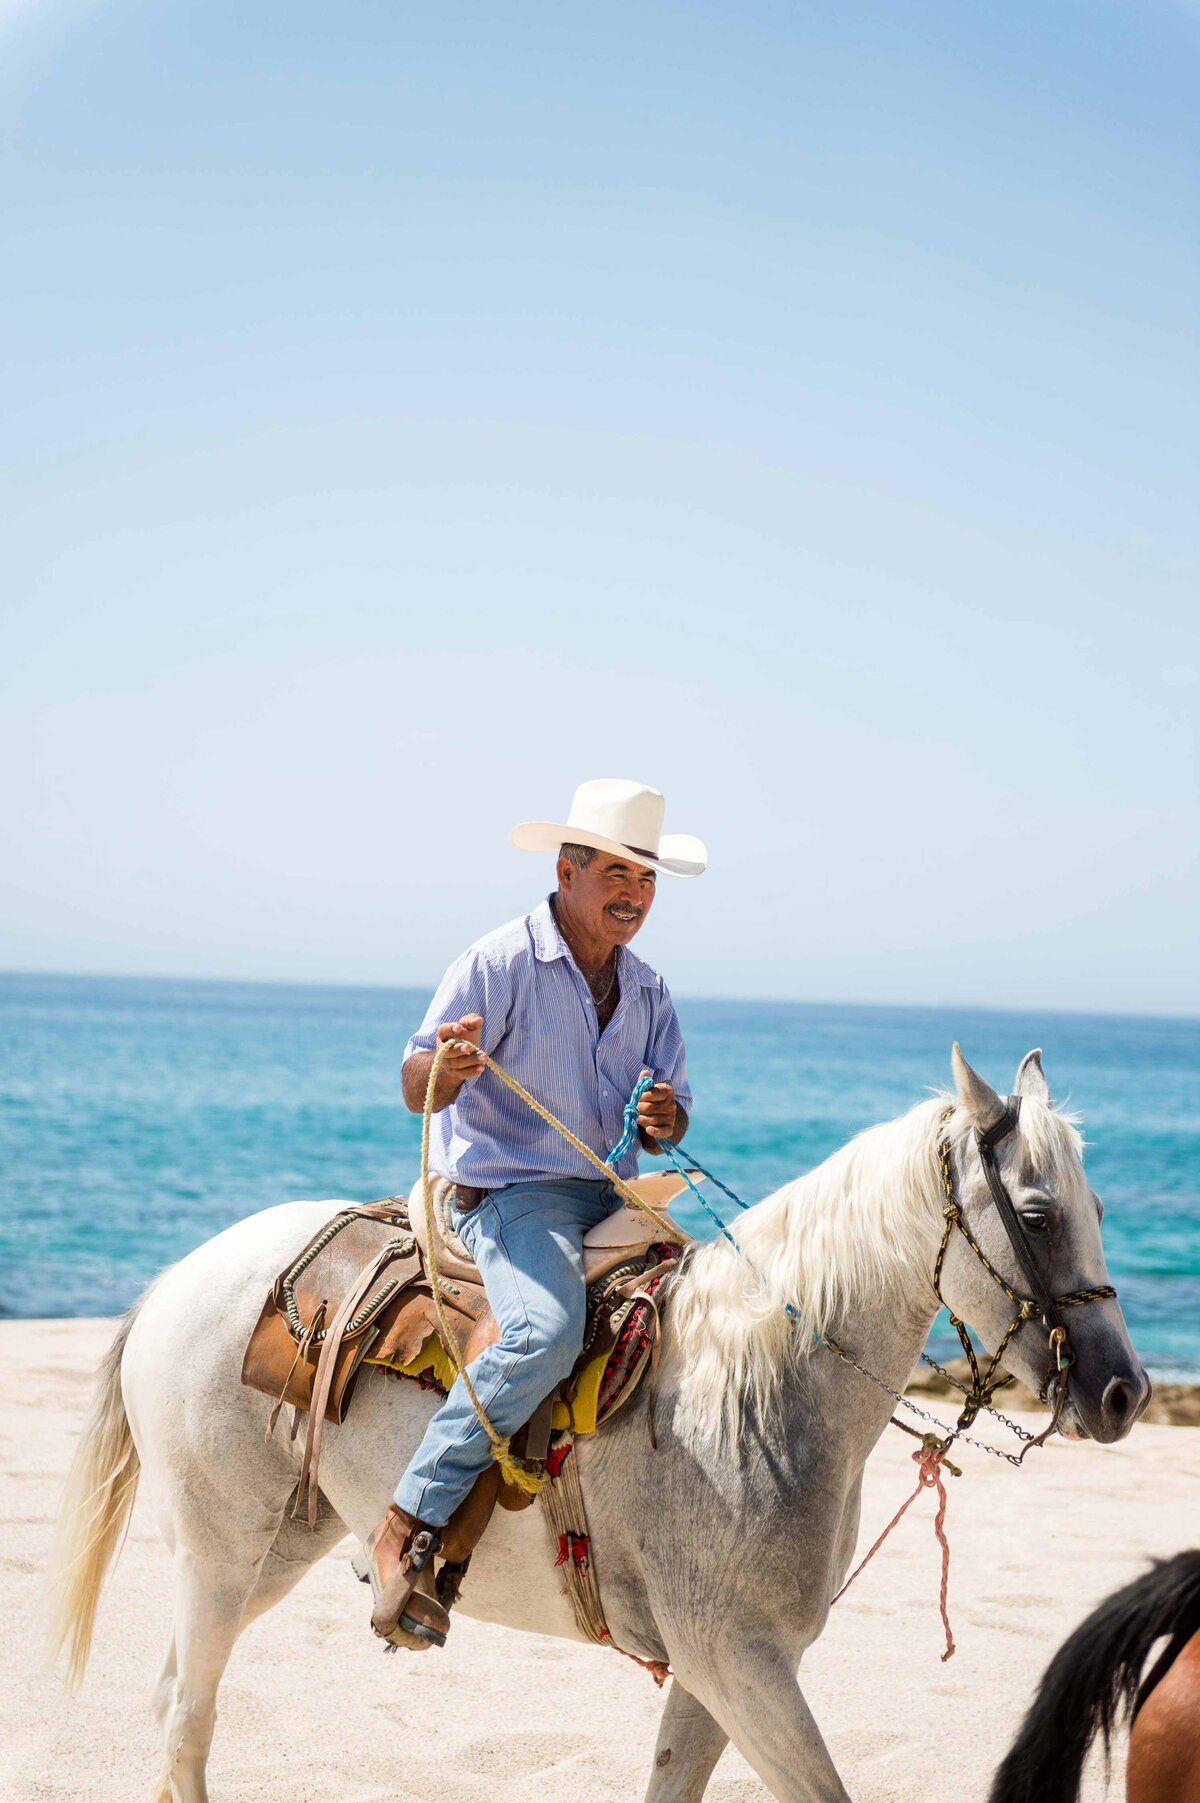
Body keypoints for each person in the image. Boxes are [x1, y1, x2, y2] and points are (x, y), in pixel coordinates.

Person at [364, 777, 706, 1649]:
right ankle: (408, 1517)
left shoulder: (652, 991)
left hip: (620, 1197)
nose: (635, 895)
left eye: (648, 881)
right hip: (515, 1195)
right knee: (546, 1333)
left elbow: (672, 1116)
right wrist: (444, 1066)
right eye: (619, 875)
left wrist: (668, 1119)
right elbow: (413, 1085)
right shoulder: (497, 963)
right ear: (567, 868)